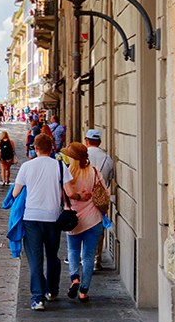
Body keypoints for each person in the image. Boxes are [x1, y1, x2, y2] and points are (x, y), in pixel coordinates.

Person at [10, 131, 64, 310]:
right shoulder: (60, 166)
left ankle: (38, 298)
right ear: (52, 148)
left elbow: (15, 193)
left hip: (31, 217)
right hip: (53, 217)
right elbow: (69, 192)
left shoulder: (27, 166)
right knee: (52, 256)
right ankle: (53, 291)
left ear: (36, 148)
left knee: (35, 259)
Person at [60, 142, 105, 301]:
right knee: (88, 256)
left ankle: (75, 278)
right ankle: (84, 291)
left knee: (73, 251)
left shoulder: (68, 174)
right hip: (93, 219)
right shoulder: (94, 172)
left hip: (73, 220)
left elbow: (62, 195)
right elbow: (104, 193)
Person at [85, 128, 115, 268]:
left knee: (82, 226)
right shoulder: (107, 158)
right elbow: (110, 178)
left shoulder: (81, 157)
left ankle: (84, 256)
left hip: (84, 195)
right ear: (100, 142)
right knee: (98, 227)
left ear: (87, 141)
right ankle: (97, 258)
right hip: (100, 197)